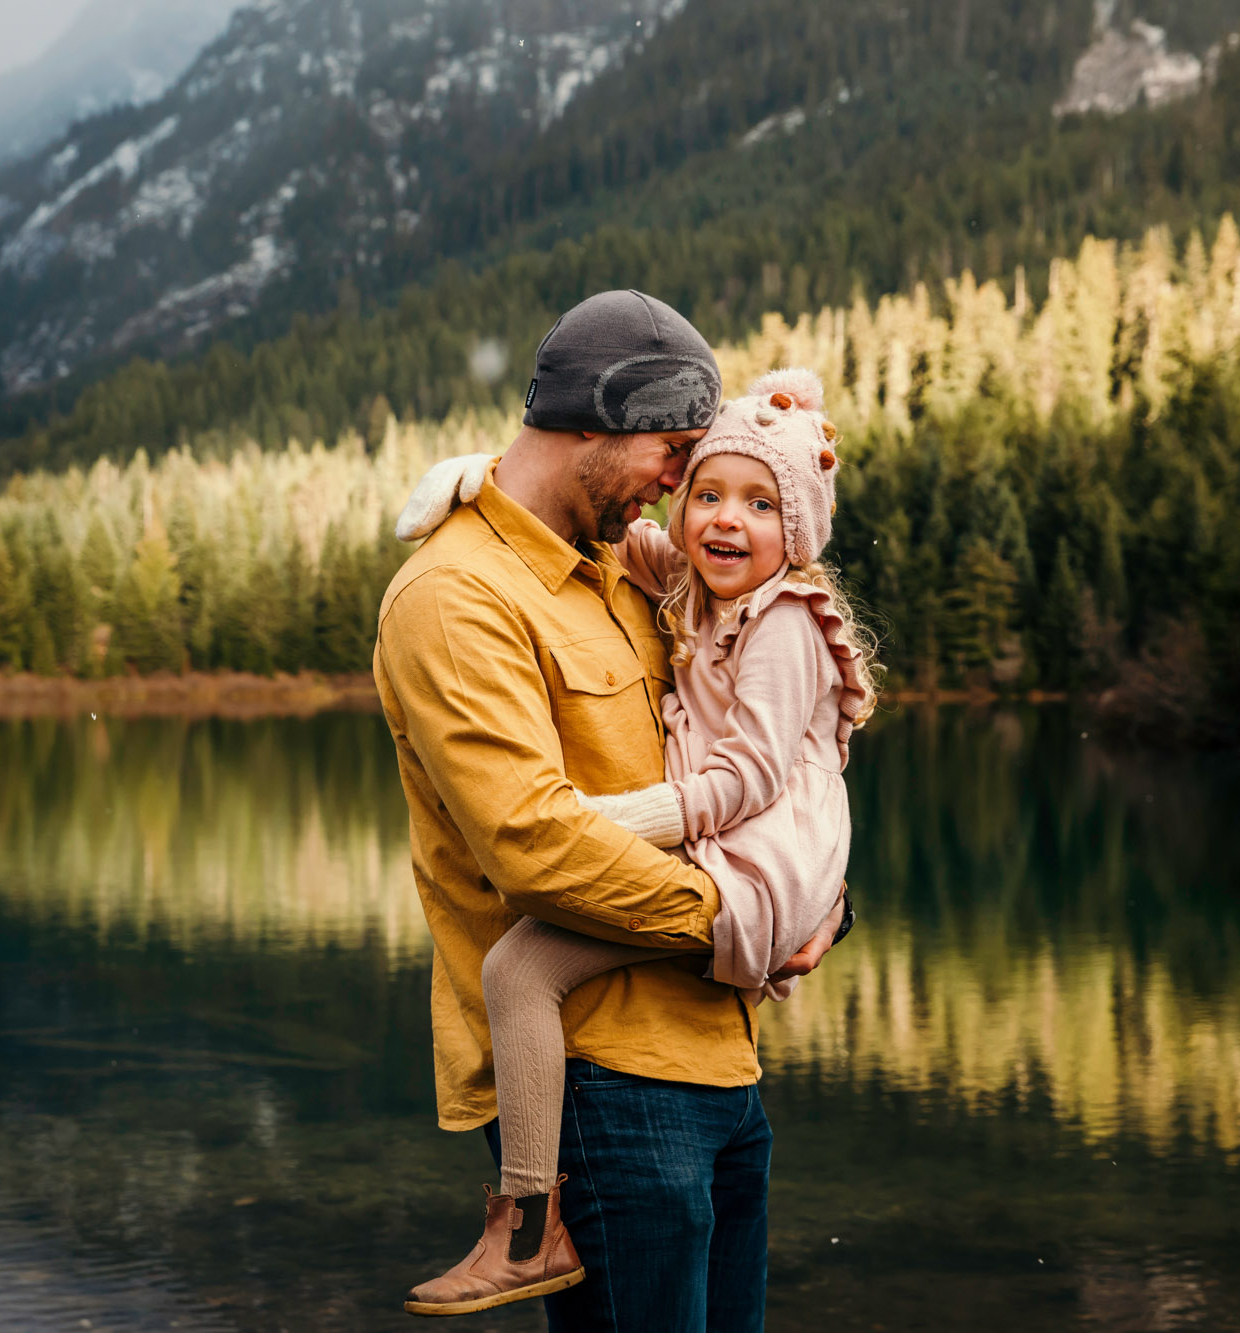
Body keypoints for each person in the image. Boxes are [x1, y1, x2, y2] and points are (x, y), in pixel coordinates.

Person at [371, 289, 857, 1331]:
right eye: (677, 452)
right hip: (603, 1083)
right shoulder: (455, 593)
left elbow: (761, 753)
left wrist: (817, 906)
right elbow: (533, 849)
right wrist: (738, 928)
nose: (685, 487)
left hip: (719, 1070)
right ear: (599, 418)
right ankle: (519, 1221)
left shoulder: (623, 563)